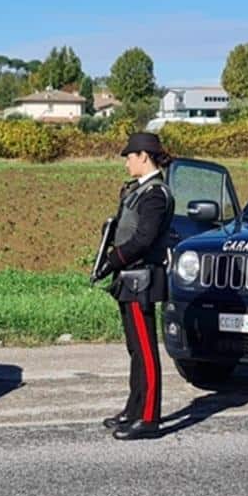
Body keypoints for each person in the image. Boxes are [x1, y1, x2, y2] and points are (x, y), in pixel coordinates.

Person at [92, 132, 175, 440]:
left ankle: (150, 417)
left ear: (144, 157)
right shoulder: (137, 190)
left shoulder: (156, 194)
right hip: (129, 277)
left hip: (141, 278)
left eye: (129, 156)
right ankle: (133, 409)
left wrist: (113, 260)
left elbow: (143, 239)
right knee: (134, 349)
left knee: (146, 350)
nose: (126, 161)